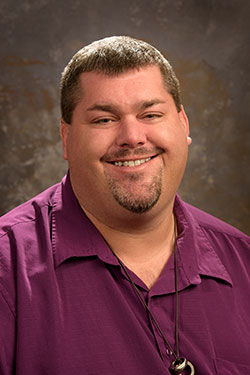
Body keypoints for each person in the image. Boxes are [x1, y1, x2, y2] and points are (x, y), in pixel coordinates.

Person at [0, 36, 249, 375]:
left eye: (151, 114)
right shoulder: (8, 272)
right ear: (66, 138)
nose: (132, 136)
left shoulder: (243, 261)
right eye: (104, 119)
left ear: (183, 124)